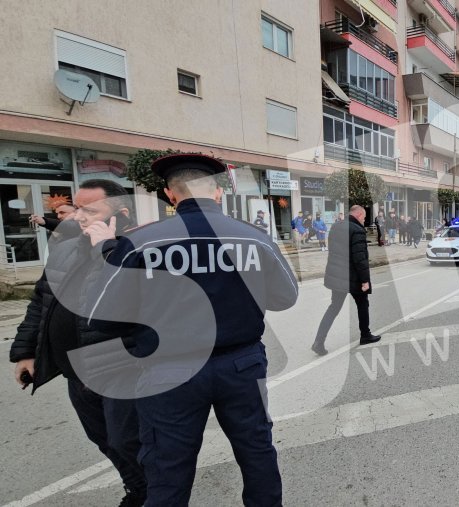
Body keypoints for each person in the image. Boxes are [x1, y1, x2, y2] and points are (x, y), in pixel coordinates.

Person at [86, 154, 299, 506]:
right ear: (218, 193)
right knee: (256, 452)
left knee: (167, 470)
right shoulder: (255, 238)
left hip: (167, 372)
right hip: (241, 366)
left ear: (171, 194)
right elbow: (286, 297)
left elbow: (101, 316)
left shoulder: (140, 242)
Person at [10, 180, 146, 506]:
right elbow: (42, 302)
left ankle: (152, 491)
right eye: (78, 208)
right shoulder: (65, 249)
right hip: (77, 371)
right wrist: (25, 351)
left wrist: (107, 248)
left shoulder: (140, 249)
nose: (78, 216)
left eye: (90, 210)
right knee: (103, 439)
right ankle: (139, 487)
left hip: (121, 369)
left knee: (127, 440)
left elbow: (135, 301)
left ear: (121, 213)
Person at [312, 205, 381, 356]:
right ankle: (365, 335)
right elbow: (360, 258)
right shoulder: (357, 230)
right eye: (363, 217)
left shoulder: (336, 226)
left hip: (337, 276)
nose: (364, 220)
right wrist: (364, 281)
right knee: (363, 304)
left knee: (333, 308)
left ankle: (318, 341)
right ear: (358, 214)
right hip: (353, 277)